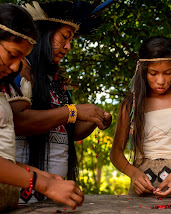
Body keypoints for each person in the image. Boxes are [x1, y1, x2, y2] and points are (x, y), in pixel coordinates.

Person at [12, 1, 113, 204]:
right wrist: (72, 111)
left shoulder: (57, 82)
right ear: (43, 34)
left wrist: (94, 119)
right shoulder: (20, 69)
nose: (68, 47)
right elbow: (19, 121)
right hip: (20, 195)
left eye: (71, 40)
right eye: (64, 37)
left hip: (54, 194)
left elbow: (68, 133)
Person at [0, 4, 83, 211]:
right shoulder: (22, 78)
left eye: (21, 59)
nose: (15, 67)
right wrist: (43, 182)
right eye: (12, 54)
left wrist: (44, 177)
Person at [110, 36, 171, 197]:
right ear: (143, 70)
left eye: (168, 73)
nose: (161, 81)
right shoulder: (131, 105)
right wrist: (133, 174)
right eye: (153, 73)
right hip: (144, 182)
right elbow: (116, 152)